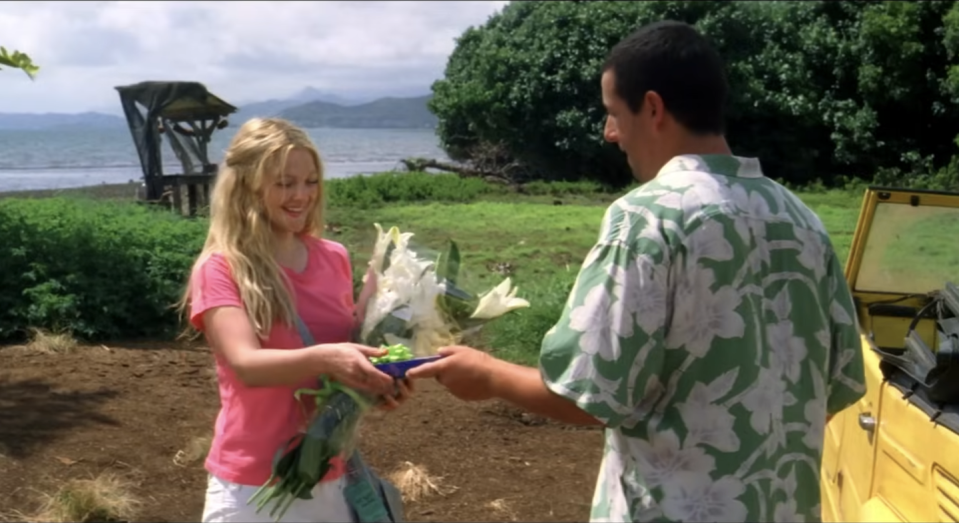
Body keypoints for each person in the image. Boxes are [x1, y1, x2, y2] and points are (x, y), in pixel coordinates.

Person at [407, 20, 866, 523]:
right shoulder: (803, 221)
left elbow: (589, 396)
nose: (609, 133)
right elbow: (838, 384)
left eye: (612, 113)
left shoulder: (648, 218)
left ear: (652, 108)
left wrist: (489, 374)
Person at [178, 117, 413, 523]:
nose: (301, 195)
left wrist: (381, 379)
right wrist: (329, 359)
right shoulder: (222, 269)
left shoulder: (333, 257)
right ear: (248, 186)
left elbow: (347, 356)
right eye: (284, 183)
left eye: (311, 181)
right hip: (252, 486)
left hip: (332, 474)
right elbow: (246, 365)